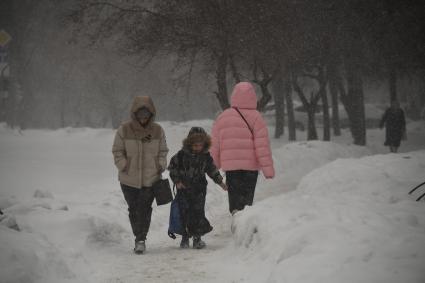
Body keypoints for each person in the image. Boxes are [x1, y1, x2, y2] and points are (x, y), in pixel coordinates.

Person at [112, 96, 168, 254]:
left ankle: (140, 239)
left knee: (145, 209)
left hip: (150, 179)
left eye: (146, 116)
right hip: (128, 179)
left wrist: (160, 165)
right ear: (134, 114)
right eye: (140, 116)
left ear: (151, 115)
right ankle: (139, 235)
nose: (143, 119)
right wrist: (124, 165)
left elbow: (163, 151)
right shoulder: (124, 129)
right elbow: (117, 151)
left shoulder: (157, 130)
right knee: (133, 209)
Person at [211, 82, 275, 216]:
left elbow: (215, 144)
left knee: (234, 198)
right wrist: (268, 169)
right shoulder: (257, 117)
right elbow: (262, 145)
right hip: (250, 168)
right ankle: (244, 220)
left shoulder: (223, 117)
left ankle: (235, 216)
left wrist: (213, 165)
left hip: (232, 168)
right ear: (253, 97)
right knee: (247, 200)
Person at [168, 127, 227, 249]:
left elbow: (212, 170)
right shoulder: (181, 155)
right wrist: (177, 181)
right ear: (190, 144)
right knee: (184, 213)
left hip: (199, 189)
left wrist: (220, 182)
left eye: (200, 145)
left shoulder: (205, 156)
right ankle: (185, 238)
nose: (198, 148)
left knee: (198, 213)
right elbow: (172, 168)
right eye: (195, 145)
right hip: (183, 189)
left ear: (204, 144)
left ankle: (197, 238)